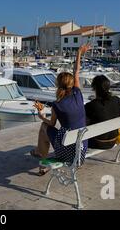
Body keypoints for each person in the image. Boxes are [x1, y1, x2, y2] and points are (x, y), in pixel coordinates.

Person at [31, 44, 91, 175]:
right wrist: (80, 52)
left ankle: (42, 161)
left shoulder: (57, 105)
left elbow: (51, 124)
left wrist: (41, 115)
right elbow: (76, 71)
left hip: (68, 152)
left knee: (44, 127)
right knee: (48, 131)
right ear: (71, 84)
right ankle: (38, 151)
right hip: (81, 150)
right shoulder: (78, 94)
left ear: (58, 85)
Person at [85, 75, 120, 149]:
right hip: (112, 141)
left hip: (97, 143)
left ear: (94, 88)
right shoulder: (116, 100)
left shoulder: (91, 105)